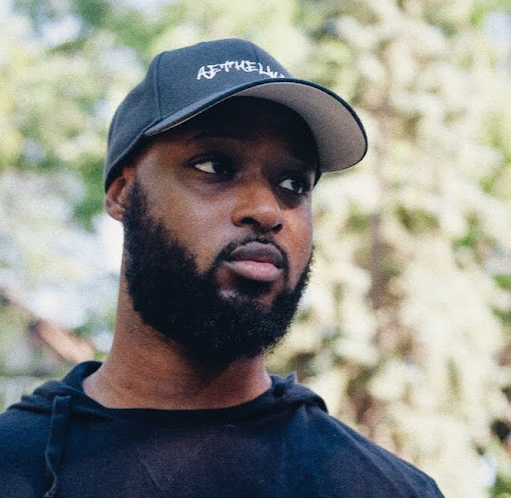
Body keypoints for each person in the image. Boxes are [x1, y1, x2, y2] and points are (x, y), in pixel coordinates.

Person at [0, 39, 444, 497]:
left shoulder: (381, 488)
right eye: (215, 165)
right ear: (123, 192)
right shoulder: (16, 466)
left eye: (294, 183)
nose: (266, 210)